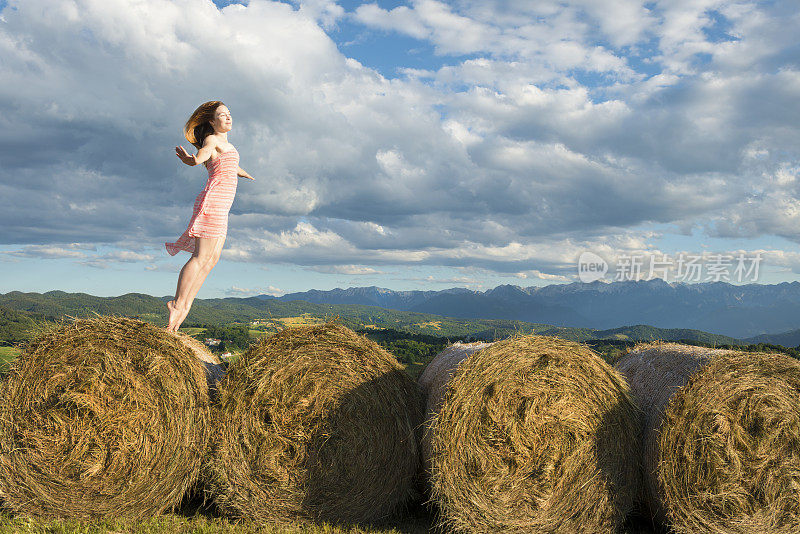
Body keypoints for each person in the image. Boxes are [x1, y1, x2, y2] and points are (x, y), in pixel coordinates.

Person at [164, 100, 254, 332]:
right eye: (222, 115)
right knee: (200, 256)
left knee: (211, 260)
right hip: (212, 203)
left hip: (223, 207)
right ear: (212, 122)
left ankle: (185, 305)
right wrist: (191, 160)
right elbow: (202, 156)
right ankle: (176, 303)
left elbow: (231, 166)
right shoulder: (211, 140)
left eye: (229, 113)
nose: (228, 117)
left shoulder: (229, 145)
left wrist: (245, 174)